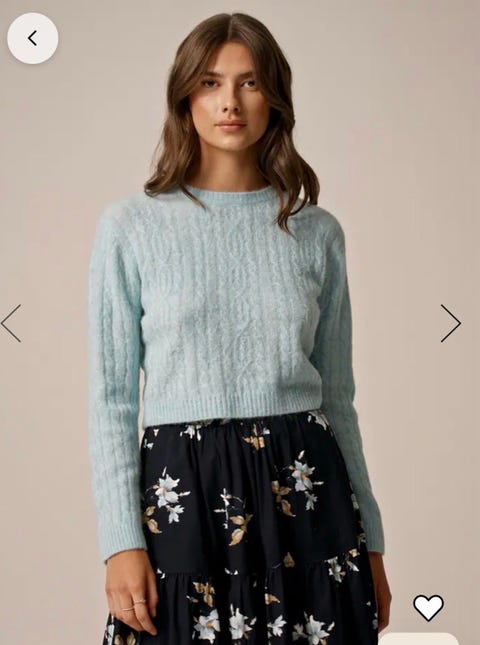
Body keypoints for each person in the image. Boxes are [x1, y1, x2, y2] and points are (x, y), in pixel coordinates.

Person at [87, 11, 392, 645]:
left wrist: (373, 541)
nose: (229, 102)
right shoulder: (131, 228)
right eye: (209, 83)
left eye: (249, 83)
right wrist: (120, 541)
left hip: (307, 491)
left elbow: (339, 398)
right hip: (183, 495)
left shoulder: (317, 232)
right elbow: (111, 401)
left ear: (274, 97)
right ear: (184, 98)